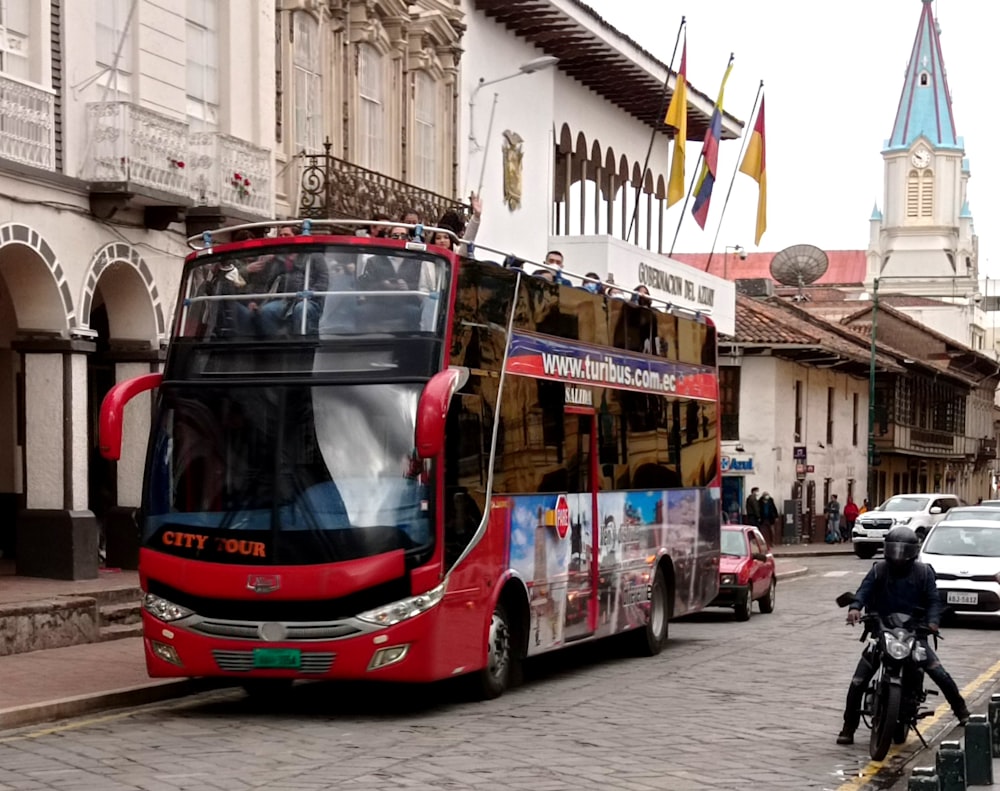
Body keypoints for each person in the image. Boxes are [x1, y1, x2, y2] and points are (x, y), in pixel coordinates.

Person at [837, 526, 969, 745]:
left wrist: (933, 622)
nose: (898, 554)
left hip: (914, 632)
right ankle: (848, 727)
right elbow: (863, 590)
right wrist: (855, 608)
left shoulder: (924, 573)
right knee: (858, 681)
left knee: (939, 673)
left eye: (903, 550)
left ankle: (962, 711)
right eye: (894, 549)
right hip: (883, 631)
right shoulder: (878, 569)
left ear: (912, 552)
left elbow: (933, 601)